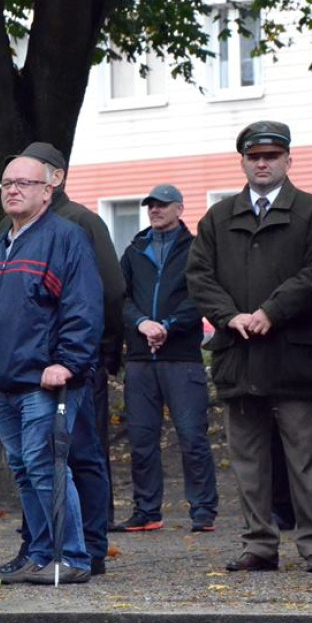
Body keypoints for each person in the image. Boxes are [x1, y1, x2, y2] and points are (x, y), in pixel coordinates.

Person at [187, 120, 312, 574]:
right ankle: (258, 543)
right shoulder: (218, 217)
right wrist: (228, 315)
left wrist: (273, 310)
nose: (262, 164)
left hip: (293, 353)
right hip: (239, 354)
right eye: (254, 157)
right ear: (242, 162)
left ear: (288, 160)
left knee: (305, 457)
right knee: (248, 459)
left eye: (271, 156)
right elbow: (198, 276)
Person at [0, 152, 103, 585]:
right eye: (7, 183)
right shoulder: (0, 243)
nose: (12, 190)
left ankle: (72, 558)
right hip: (3, 380)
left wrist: (67, 362)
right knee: (24, 470)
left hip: (45, 380)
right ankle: (41, 553)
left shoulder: (66, 238)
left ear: (48, 191)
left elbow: (83, 306)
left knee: (45, 465)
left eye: (24, 183)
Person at [119, 185, 218, 532]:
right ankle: (147, 511)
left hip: (182, 357)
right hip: (140, 359)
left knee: (192, 436)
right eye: (151, 205)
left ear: (179, 208)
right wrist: (141, 323)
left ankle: (203, 511)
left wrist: (168, 325)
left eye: (162, 205)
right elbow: (120, 297)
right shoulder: (134, 250)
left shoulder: (196, 249)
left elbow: (201, 295)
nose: (155, 210)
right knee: (141, 439)